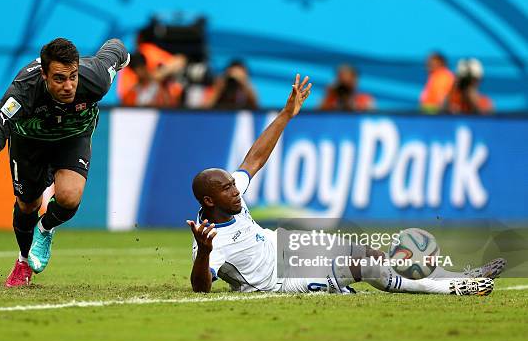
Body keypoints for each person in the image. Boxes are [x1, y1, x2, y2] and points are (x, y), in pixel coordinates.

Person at [188, 74, 503, 295]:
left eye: (233, 184)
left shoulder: (233, 197)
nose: (236, 189)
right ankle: (459, 288)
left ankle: (460, 275)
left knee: (371, 254)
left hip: (284, 247)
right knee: (367, 269)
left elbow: (253, 160)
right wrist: (203, 254)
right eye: (227, 188)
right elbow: (201, 287)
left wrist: (286, 114)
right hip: (281, 279)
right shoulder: (212, 241)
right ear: (209, 201)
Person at [0, 38, 130, 287]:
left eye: (73, 76)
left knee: (69, 197)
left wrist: (126, 57)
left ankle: (46, 228)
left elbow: (116, 48)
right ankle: (23, 261)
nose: (69, 86)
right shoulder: (23, 90)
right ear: (44, 75)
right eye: (59, 78)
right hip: (29, 145)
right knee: (28, 206)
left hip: (73, 138)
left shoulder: (97, 78)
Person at [121, 51, 185, 108]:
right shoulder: (131, 93)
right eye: (136, 69)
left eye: (141, 67)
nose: (139, 72)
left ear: (145, 66)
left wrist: (160, 75)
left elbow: (181, 60)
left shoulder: (161, 84)